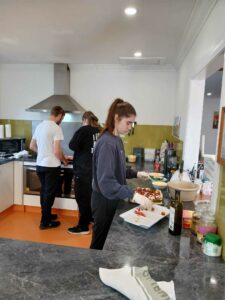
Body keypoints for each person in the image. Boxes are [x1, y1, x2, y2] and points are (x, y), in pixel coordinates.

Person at [90, 98, 151, 250]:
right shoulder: (107, 143)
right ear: (116, 118)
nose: (130, 127)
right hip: (104, 201)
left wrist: (135, 174)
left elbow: (116, 169)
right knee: (99, 245)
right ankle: (91, 272)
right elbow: (107, 182)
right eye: (128, 122)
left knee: (106, 244)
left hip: (111, 199)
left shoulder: (116, 140)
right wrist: (133, 195)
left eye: (132, 123)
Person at [29, 106, 68, 230]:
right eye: (62, 117)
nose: (61, 119)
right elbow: (57, 151)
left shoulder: (39, 126)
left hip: (40, 165)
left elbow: (32, 146)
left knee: (44, 192)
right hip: (51, 166)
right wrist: (64, 160)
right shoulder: (56, 128)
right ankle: (45, 222)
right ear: (59, 115)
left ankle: (47, 215)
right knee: (49, 194)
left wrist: (43, 152)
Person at [68, 111, 101, 235]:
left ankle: (83, 227)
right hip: (95, 171)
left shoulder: (83, 130)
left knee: (82, 198)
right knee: (90, 197)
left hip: (83, 170)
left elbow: (72, 145)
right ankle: (91, 219)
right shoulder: (99, 131)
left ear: (84, 120)